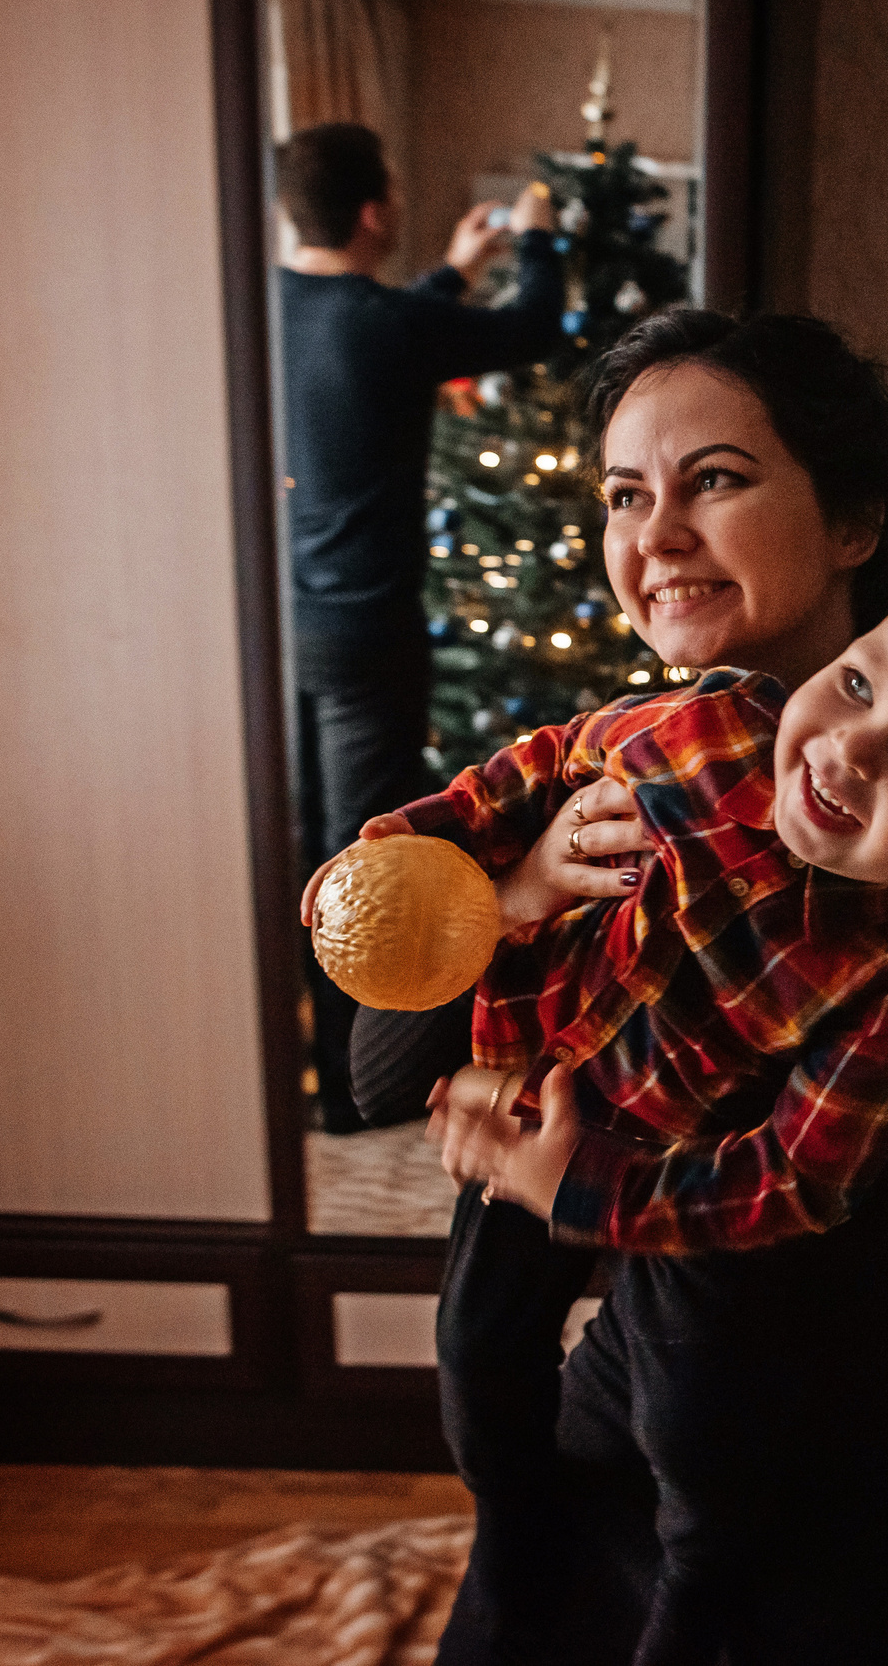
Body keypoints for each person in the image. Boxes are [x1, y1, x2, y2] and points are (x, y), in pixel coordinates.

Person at [337, 310, 888, 1664]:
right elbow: (380, 1078)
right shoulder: (605, 767)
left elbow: (824, 1215)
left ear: (853, 521)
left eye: (714, 479)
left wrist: (583, 1170)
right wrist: (522, 891)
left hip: (833, 1441)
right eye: (623, 494)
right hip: (627, 1399)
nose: (652, 536)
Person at [277, 120, 562, 1131]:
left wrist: (448, 267)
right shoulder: (384, 322)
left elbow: (382, 334)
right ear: (372, 209)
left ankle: (319, 1071)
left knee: (306, 845)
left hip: (278, 633)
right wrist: (537, 234)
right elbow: (533, 326)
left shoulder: (272, 306)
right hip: (364, 637)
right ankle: (361, 1095)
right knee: (363, 867)